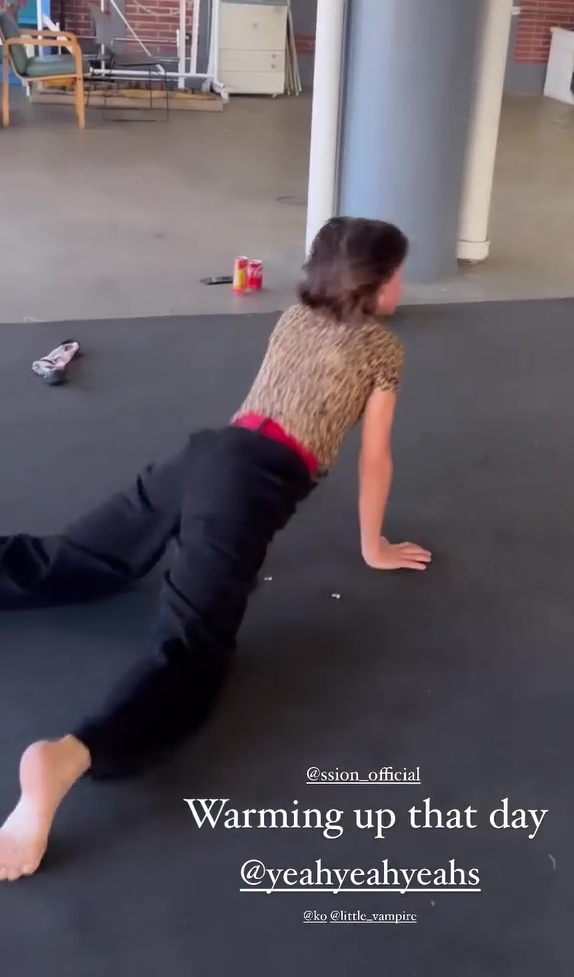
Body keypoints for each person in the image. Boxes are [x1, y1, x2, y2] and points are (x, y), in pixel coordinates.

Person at [0, 216, 431, 881]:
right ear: (375, 285)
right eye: (398, 273)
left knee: (80, 557)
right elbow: (375, 459)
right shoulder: (383, 351)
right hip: (247, 487)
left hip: (206, 454)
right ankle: (67, 758)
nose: (403, 284)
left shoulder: (294, 317)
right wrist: (373, 546)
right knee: (192, 653)